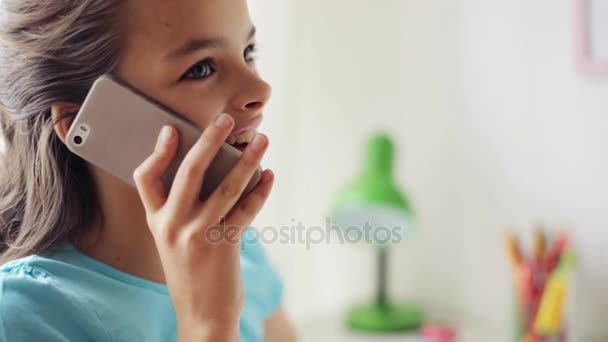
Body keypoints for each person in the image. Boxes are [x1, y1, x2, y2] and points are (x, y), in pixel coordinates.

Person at [0, 0, 298, 341]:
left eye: (248, 51)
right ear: (87, 120)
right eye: (201, 68)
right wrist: (209, 324)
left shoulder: (234, 247)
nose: (261, 91)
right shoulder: (23, 315)